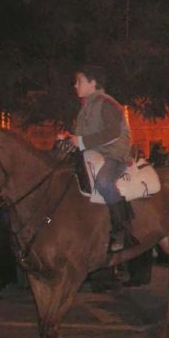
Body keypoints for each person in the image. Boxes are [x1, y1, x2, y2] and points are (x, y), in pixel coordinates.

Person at [67, 65, 136, 253]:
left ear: (92, 83)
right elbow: (81, 137)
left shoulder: (106, 103)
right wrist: (68, 140)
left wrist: (81, 141)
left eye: (79, 81)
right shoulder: (86, 107)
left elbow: (113, 132)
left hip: (113, 155)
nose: (75, 85)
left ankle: (123, 231)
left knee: (104, 183)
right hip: (93, 155)